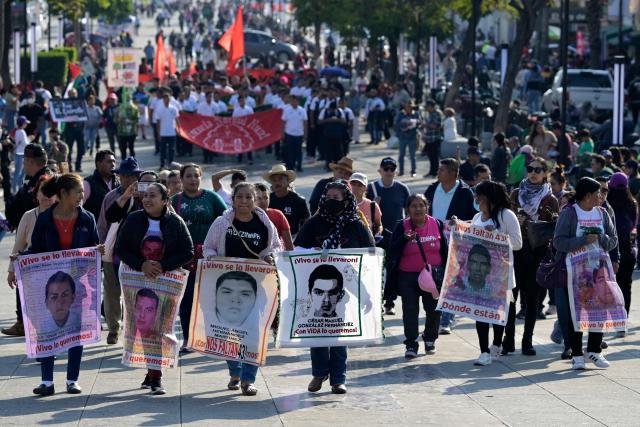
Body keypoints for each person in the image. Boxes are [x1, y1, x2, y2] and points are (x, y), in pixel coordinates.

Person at [295, 180, 375, 395]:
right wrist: (312, 250)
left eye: (336, 198)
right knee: (318, 332)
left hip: (346, 291)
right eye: (329, 198)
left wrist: (366, 292)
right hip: (318, 288)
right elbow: (298, 250)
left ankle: (338, 379)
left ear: (346, 200)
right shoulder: (314, 223)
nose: (332, 202)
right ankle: (319, 373)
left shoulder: (356, 224)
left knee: (340, 335)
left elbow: (370, 255)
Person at [203, 183, 282, 396]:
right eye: (240, 197)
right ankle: (235, 372)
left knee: (254, 332)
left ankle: (249, 379)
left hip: (257, 285)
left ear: (255, 200)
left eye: (249, 197)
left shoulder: (264, 223)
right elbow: (207, 247)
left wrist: (270, 257)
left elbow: (276, 246)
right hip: (228, 285)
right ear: (233, 199)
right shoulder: (222, 223)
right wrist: (214, 259)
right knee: (229, 330)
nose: (244, 201)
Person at [116, 182, 194, 395]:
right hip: (137, 279)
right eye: (145, 196)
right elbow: (120, 248)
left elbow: (188, 251)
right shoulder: (134, 220)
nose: (147, 200)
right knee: (144, 327)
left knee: (160, 327)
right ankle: (153, 372)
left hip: (165, 280)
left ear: (165, 200)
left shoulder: (176, 222)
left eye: (153, 196)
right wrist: (141, 264)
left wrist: (163, 265)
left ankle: (155, 376)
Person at [28, 174, 101, 396]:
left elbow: (93, 247)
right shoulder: (45, 219)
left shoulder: (87, 219)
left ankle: (72, 380)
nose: (82, 195)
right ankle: (47, 381)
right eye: (77, 191)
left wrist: (98, 251)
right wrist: (19, 260)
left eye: (82, 191)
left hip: (76, 284)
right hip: (50, 284)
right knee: (46, 330)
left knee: (75, 331)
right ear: (62, 195)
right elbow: (35, 249)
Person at [553, 177, 618, 370]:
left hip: (598, 271)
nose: (601, 197)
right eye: (598, 193)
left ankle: (594, 351)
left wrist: (601, 238)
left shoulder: (603, 213)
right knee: (576, 312)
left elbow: (614, 240)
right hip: (574, 273)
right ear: (587, 195)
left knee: (599, 309)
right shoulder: (570, 213)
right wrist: (582, 240)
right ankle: (577, 354)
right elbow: (559, 242)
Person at [504, 157, 559, 356]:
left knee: (533, 298)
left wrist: (534, 223)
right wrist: (515, 222)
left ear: (545, 173)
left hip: (537, 252)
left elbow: (554, 228)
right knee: (511, 295)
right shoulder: (517, 193)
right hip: (516, 250)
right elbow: (506, 219)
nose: (533, 172)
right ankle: (508, 339)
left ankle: (527, 340)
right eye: (530, 169)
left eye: (538, 169)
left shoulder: (550, 199)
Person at [170, 163, 226, 351]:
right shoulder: (174, 200)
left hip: (209, 256)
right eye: (188, 176)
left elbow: (227, 220)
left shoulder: (212, 198)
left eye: (196, 175)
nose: (193, 179)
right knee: (186, 299)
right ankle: (188, 339)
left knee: (209, 298)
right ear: (181, 179)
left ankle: (210, 338)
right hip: (184, 256)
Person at [387, 194, 448, 358]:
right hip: (408, 277)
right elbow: (392, 250)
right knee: (410, 311)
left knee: (434, 310)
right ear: (407, 210)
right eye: (413, 206)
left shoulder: (437, 224)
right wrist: (404, 239)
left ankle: (430, 339)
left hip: (433, 277)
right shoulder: (402, 226)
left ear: (427, 207)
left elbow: (445, 250)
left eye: (421, 205)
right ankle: (411, 344)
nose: (418, 209)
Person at [470, 181, 523, 365]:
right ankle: (483, 351)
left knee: (498, 313)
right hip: (480, 275)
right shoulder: (477, 217)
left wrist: (497, 236)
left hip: (501, 275)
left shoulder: (506, 216)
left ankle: (496, 345)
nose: (476, 199)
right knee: (480, 312)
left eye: (479, 196)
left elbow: (517, 243)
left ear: (489, 198)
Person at [98, 158, 147, 344]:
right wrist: (101, 246)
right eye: (124, 175)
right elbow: (103, 223)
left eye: (132, 176)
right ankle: (113, 328)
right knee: (111, 292)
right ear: (119, 177)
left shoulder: (146, 196)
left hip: (139, 253)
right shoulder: (111, 197)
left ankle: (133, 328)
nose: (128, 179)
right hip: (114, 251)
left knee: (136, 293)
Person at [424, 158, 477, 333]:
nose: (438, 173)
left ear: (454, 173)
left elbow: (474, 218)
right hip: (432, 243)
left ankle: (447, 319)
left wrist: (461, 223)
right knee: (435, 281)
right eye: (438, 170)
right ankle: (434, 317)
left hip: (457, 244)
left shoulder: (465, 193)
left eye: (442, 170)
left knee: (452, 281)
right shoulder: (432, 189)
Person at [3, 177, 56, 337]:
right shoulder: (28, 216)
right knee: (36, 312)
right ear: (36, 194)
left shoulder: (62, 216)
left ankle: (50, 344)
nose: (46, 195)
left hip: (56, 273)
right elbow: (18, 246)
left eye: (50, 192)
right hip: (31, 273)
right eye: (42, 191)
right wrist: (12, 271)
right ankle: (42, 346)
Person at [606, 172, 637, 337]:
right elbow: (633, 225)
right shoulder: (632, 203)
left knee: (608, 288)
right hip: (627, 251)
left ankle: (602, 323)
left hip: (609, 252)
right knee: (626, 287)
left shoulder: (606, 205)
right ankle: (621, 324)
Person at [4, 143, 51, 230]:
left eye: (24, 160)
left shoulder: (46, 181)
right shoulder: (30, 178)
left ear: (31, 162)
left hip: (37, 234)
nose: (23, 163)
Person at [264, 164, 310, 236]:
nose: (277, 182)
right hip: (272, 237)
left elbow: (306, 222)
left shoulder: (298, 200)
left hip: (294, 237)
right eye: (274, 180)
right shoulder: (267, 199)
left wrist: (300, 238)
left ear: (287, 181)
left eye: (280, 179)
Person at [254, 182, 294, 250]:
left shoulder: (278, 215)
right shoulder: (245, 216)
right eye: (259, 198)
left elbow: (289, 245)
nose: (263, 201)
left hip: (275, 253)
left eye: (265, 198)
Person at [82, 150, 119, 221]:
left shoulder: (119, 182)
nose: (113, 164)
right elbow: (78, 208)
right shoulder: (87, 183)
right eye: (109, 162)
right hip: (95, 229)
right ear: (98, 164)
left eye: (114, 161)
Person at [153, 91, 180, 169]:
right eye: (165, 99)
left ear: (169, 99)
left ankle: (170, 164)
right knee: (163, 150)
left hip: (172, 132)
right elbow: (158, 122)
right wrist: (158, 133)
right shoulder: (159, 109)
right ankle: (162, 165)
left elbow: (177, 119)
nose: (166, 100)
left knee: (171, 150)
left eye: (167, 99)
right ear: (163, 100)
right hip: (163, 133)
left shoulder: (173, 108)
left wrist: (178, 129)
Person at [350, 173, 382, 238]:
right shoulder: (343, 204)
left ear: (365, 188)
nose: (356, 187)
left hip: (367, 244)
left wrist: (377, 234)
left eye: (359, 185)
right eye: (353, 184)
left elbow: (379, 225)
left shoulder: (372, 205)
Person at [282, 95, 307, 172]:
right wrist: (282, 133)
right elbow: (283, 122)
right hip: (289, 133)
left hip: (299, 134)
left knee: (299, 151)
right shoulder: (287, 110)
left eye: (295, 101)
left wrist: (306, 134)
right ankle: (291, 166)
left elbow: (305, 122)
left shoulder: (302, 110)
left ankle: (299, 166)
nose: (294, 102)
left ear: (298, 102)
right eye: (292, 101)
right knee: (290, 151)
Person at [395, 101, 419, 177]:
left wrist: (414, 123)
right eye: (407, 107)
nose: (408, 108)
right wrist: (405, 123)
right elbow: (397, 124)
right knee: (401, 155)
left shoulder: (416, 114)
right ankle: (401, 171)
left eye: (410, 107)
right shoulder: (401, 114)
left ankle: (413, 171)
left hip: (412, 137)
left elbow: (420, 122)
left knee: (412, 156)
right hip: (402, 137)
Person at [421, 99, 444, 176]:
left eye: (427, 106)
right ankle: (431, 171)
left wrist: (426, 125)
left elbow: (437, 126)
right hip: (429, 138)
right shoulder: (430, 114)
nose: (426, 108)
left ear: (431, 106)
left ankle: (436, 172)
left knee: (435, 156)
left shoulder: (437, 113)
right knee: (430, 156)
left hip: (435, 138)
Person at [115, 92, 140, 160]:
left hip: (131, 132)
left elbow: (137, 120)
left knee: (131, 148)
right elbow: (115, 120)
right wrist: (119, 119)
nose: (127, 101)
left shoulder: (134, 108)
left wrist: (131, 122)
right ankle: (123, 163)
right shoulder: (119, 108)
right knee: (123, 149)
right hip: (122, 132)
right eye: (126, 99)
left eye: (128, 99)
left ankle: (133, 163)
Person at [12, 116, 32, 194]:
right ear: (22, 124)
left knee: (19, 173)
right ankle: (15, 191)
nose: (26, 124)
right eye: (25, 123)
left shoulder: (17, 131)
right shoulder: (22, 131)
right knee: (18, 173)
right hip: (21, 154)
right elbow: (25, 144)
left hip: (18, 153)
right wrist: (30, 139)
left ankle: (18, 190)